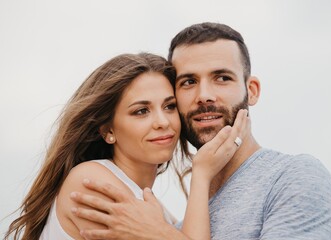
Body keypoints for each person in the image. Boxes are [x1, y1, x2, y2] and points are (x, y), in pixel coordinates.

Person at [70, 22, 331, 240]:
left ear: (252, 91)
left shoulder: (294, 177)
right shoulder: (173, 223)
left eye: (222, 78)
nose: (204, 96)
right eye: (189, 81)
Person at [5, 52, 251, 240]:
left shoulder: (153, 213)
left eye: (169, 106)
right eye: (141, 111)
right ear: (108, 130)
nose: (162, 122)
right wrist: (201, 175)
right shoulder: (91, 183)